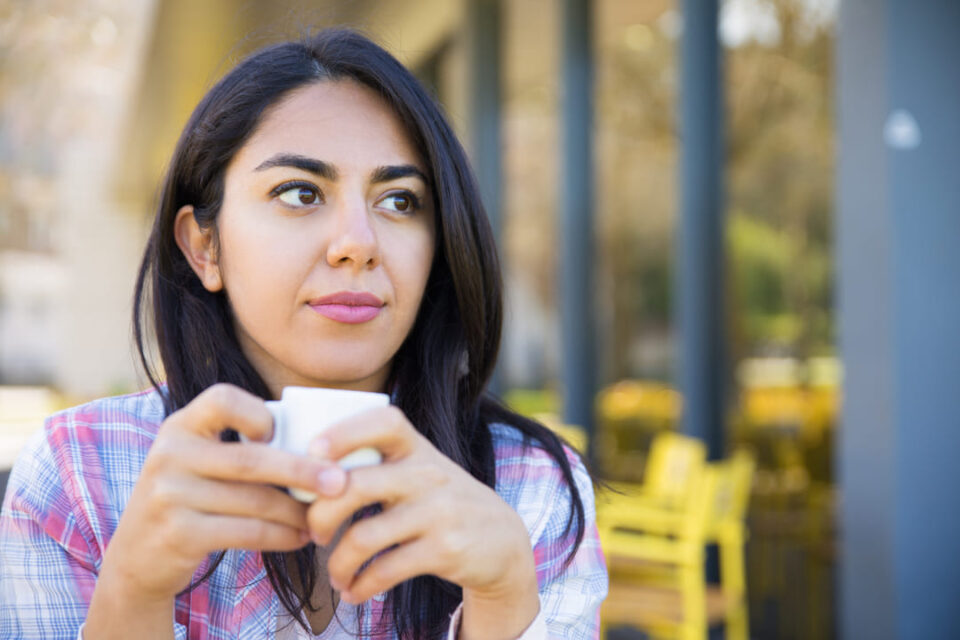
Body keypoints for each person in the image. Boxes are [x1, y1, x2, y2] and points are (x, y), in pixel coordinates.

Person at [0, 28, 607, 639]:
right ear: (203, 246)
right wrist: (132, 592)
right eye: (300, 193)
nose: (357, 244)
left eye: (399, 202)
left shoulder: (528, 487)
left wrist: (504, 597)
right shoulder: (80, 473)